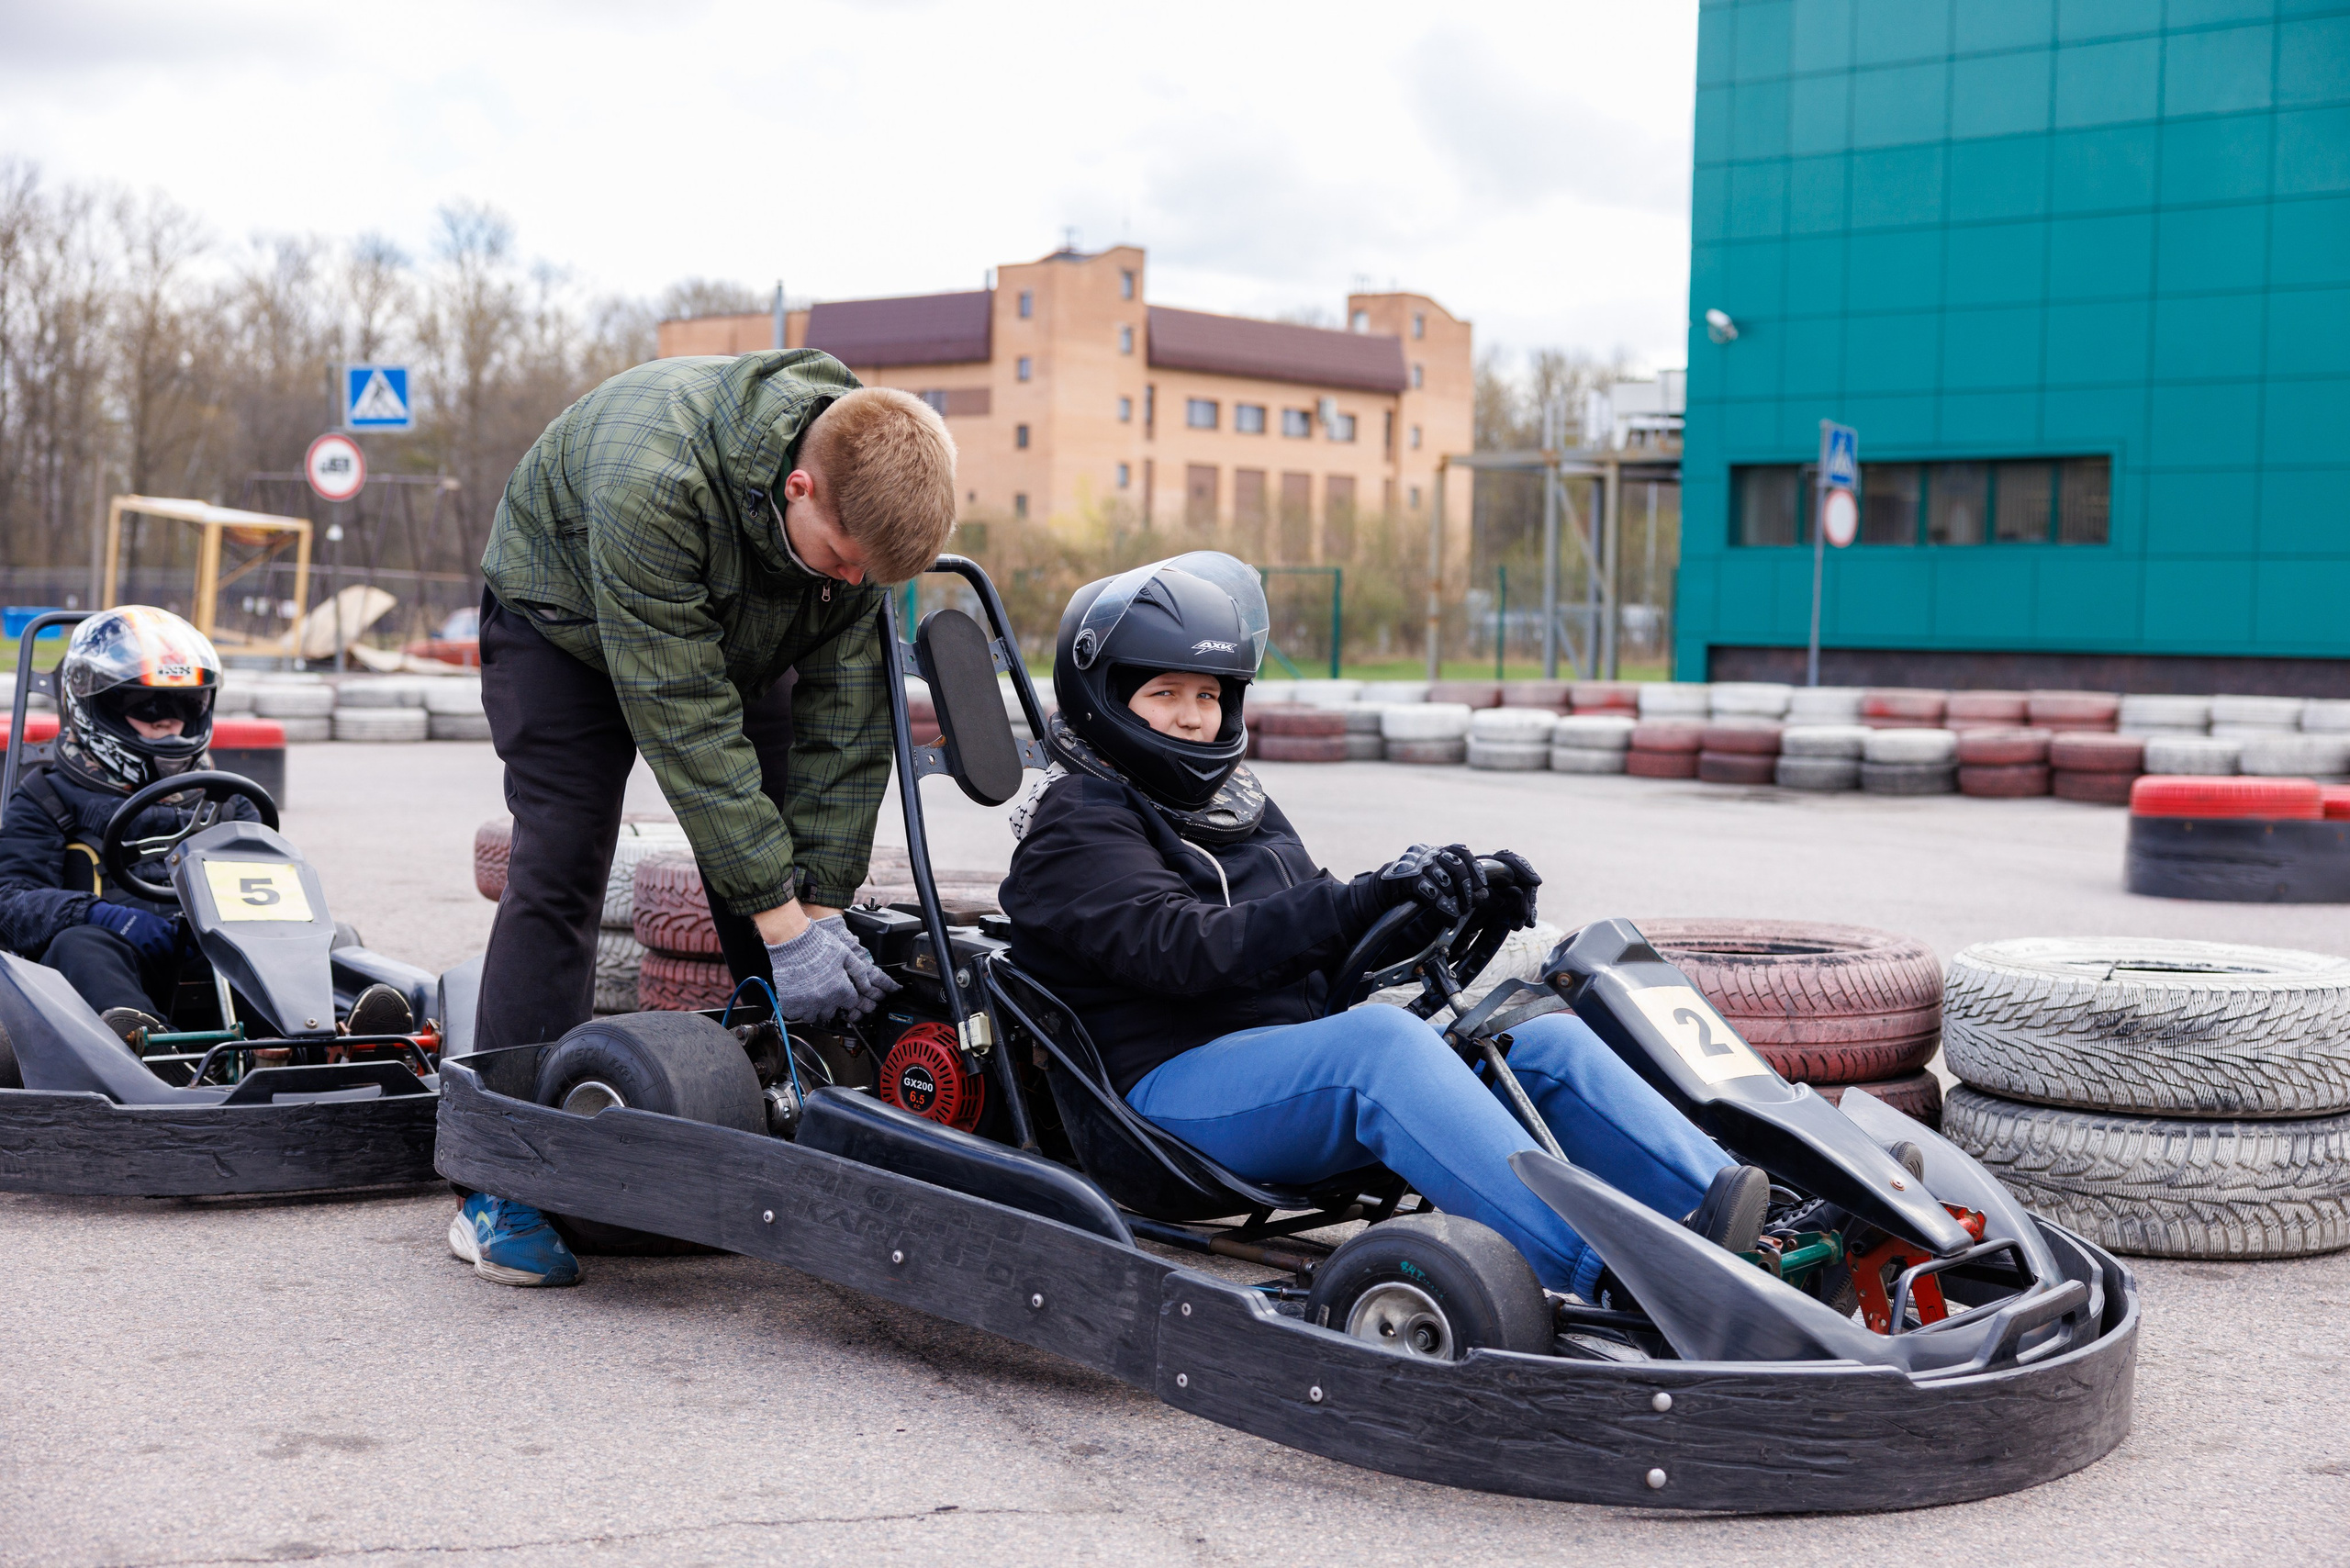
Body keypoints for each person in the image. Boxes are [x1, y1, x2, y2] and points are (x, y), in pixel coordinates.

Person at [997, 555, 1768, 1302]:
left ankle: (1729, 1223)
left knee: (1535, 1036)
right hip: (1159, 1103)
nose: (1194, 718)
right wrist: (1361, 900)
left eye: (1209, 694)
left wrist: (1448, 904)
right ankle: (1602, 1276)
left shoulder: (1237, 807)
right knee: (1380, 1048)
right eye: (1165, 693)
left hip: (1279, 1061)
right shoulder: (1078, 822)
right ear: (1104, 694)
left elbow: (1321, 948)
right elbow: (1189, 951)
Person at [451, 349, 960, 1288]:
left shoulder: (858, 521)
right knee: (562, 862)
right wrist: (777, 915)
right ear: (799, 485)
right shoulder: (658, 480)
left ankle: (782, 1102)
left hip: (739, 620)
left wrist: (820, 911)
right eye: (843, 561)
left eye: (868, 576)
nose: (853, 583)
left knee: (782, 888)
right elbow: (683, 716)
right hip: (563, 620)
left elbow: (846, 727)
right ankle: (502, 1176)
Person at [0, 608, 412, 1045]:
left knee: (296, 942)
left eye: (186, 703)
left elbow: (272, 894)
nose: (169, 720)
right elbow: (8, 900)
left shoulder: (228, 796)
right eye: (148, 704)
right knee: (80, 945)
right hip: (116, 958)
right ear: (95, 707)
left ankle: (321, 1041)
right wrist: (103, 916)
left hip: (214, 953)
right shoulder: (47, 796)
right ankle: (151, 1052)